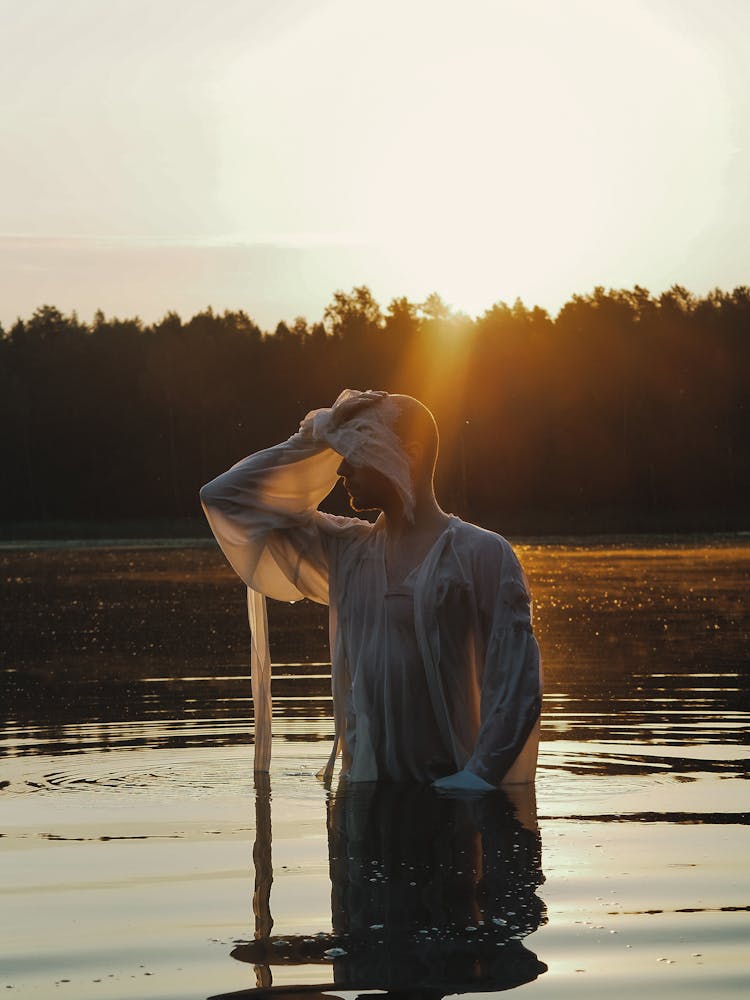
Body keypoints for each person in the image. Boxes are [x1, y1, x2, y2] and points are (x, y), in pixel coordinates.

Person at [199, 389, 542, 792]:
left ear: (408, 454)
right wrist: (314, 437)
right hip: (361, 809)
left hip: (452, 805)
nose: (341, 468)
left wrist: (475, 779)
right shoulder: (347, 552)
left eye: (356, 449)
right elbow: (224, 498)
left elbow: (517, 684)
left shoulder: (481, 554)